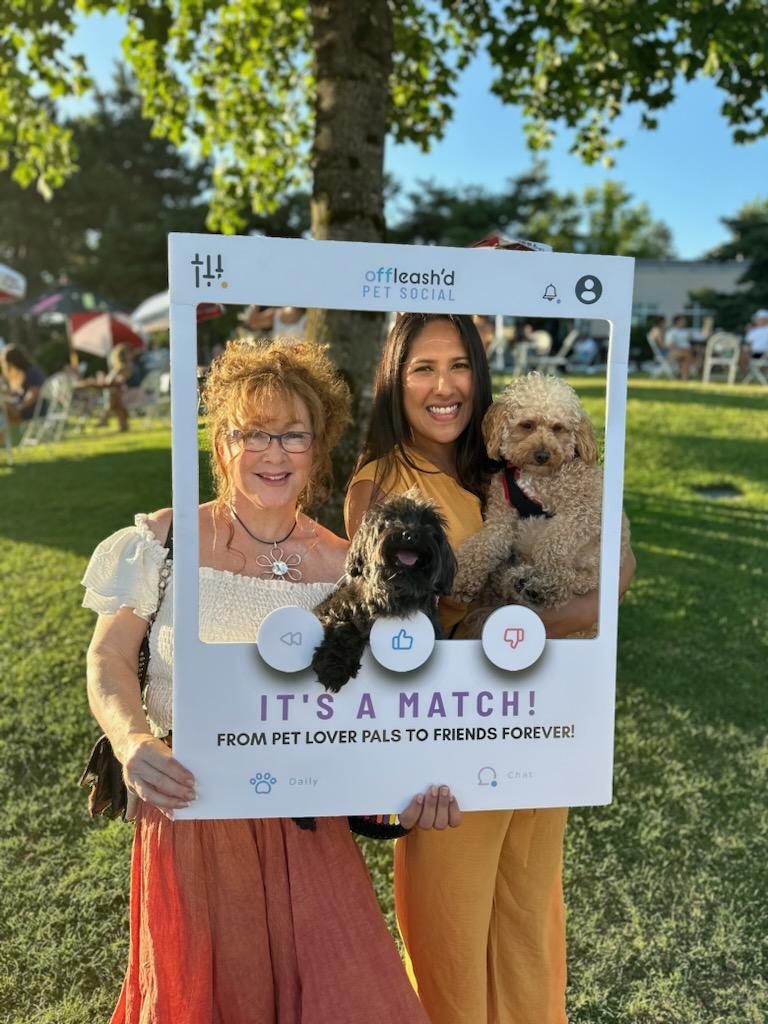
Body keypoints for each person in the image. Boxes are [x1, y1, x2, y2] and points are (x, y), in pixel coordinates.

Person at [81, 337, 460, 1024]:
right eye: (252, 433)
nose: (274, 453)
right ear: (221, 444)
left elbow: (374, 713)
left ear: (318, 448)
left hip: (309, 829)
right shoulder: (164, 541)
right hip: (193, 817)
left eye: (293, 434)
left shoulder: (348, 566)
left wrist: (405, 796)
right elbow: (108, 658)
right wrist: (132, 740)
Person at [345, 313, 637, 1024]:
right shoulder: (380, 485)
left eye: (459, 365)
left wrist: (570, 608)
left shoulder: (507, 470)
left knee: (529, 923)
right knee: (453, 934)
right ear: (394, 380)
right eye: (423, 367)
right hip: (449, 735)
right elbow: (383, 627)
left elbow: (618, 567)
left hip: (539, 723)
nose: (444, 385)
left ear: (480, 378)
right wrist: (555, 620)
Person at [0, 344, 47, 422]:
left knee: (6, 409)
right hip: (27, 409)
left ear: (11, 363)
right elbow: (17, 393)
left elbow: (34, 393)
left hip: (36, 411)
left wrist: (20, 407)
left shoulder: (31, 373)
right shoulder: (22, 373)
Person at [664, 314, 698, 380]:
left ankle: (681, 374)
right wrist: (682, 349)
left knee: (689, 355)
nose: (685, 322)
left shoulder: (685, 331)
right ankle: (695, 367)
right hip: (673, 352)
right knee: (687, 354)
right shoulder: (671, 332)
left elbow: (697, 337)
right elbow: (670, 346)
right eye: (683, 320)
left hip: (686, 352)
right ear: (677, 321)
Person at [739, 308, 768, 377]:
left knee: (742, 353)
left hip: (764, 354)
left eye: (759, 319)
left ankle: (748, 375)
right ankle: (746, 375)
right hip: (752, 354)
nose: (756, 320)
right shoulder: (753, 330)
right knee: (740, 352)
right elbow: (747, 343)